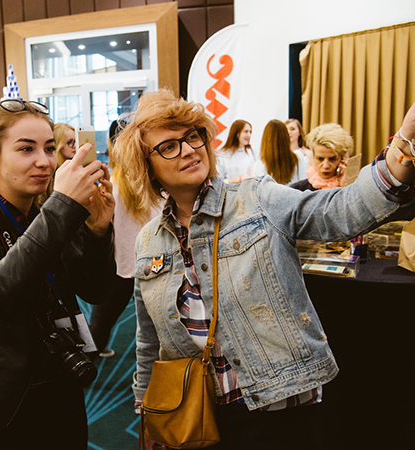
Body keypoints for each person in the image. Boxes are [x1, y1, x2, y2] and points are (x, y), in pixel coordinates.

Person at [113, 89, 415, 450]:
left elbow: (339, 210)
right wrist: (149, 412)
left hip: (276, 408)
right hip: (197, 414)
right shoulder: (149, 242)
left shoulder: (257, 199)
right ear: (146, 166)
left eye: (193, 136)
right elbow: (149, 341)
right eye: (168, 146)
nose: (189, 149)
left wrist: (403, 145)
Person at [0, 98, 116, 450]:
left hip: (61, 371)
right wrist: (61, 206)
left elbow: (94, 290)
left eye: (49, 148)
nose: (44, 161)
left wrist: (97, 231)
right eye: (26, 149)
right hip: (3, 387)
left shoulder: (48, 213)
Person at [88, 119, 160, 359]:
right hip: (152, 262)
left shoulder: (110, 182)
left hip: (120, 262)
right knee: (157, 328)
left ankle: (89, 359)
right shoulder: (151, 179)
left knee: (101, 321)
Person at [290, 123, 354, 191]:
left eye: (332, 159)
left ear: (342, 159)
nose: (325, 166)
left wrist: (345, 186)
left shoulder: (354, 188)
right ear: (313, 157)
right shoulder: (297, 189)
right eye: (320, 159)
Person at [250, 119, 309, 185]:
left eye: (292, 129)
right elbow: (304, 184)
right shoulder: (298, 158)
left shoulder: (259, 165)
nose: (289, 132)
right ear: (285, 136)